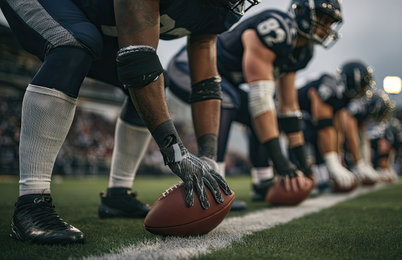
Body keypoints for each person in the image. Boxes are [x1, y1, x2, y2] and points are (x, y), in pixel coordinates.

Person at [1, 0, 260, 244]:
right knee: (74, 43)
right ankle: (31, 202)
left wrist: (208, 157)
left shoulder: (219, 10)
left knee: (154, 87)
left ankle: (118, 195)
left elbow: (205, 83)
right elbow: (138, 61)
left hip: (89, 15)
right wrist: (176, 154)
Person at [166, 0, 343, 206]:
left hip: (223, 80)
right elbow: (260, 98)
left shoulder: (303, 51)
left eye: (330, 23)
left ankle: (263, 180)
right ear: (302, 12)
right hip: (187, 67)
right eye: (323, 19)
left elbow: (289, 109)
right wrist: (281, 161)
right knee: (231, 100)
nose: (326, 28)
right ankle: (214, 177)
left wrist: (303, 165)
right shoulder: (276, 27)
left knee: (263, 113)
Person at [282, 60, 375, 192]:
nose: (365, 90)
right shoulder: (330, 87)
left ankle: (319, 179)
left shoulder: (343, 95)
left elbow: (336, 130)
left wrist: (339, 161)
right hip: (285, 108)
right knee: (308, 134)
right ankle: (294, 176)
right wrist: (333, 165)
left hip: (304, 113)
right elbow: (324, 127)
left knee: (321, 134)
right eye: (363, 85)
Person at [335, 89, 395, 184]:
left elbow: (363, 139)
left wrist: (367, 165)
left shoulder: (361, 115)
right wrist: (359, 164)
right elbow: (350, 136)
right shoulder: (354, 109)